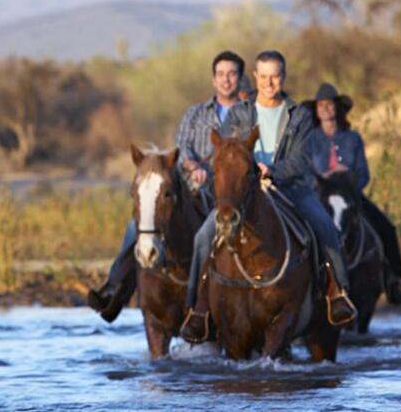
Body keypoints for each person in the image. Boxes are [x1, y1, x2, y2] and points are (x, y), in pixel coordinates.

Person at [179, 50, 357, 343]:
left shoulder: (299, 115)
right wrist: (247, 170)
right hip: (244, 191)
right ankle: (196, 308)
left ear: (283, 77)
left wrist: (273, 170)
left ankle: (337, 293)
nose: (269, 82)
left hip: (289, 187)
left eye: (275, 76)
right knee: (203, 237)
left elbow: (302, 159)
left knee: (325, 225)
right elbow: (226, 150)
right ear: (256, 78)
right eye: (264, 76)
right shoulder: (239, 113)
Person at [87, 51, 245, 322]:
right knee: (136, 227)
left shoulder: (248, 115)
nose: (226, 80)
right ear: (213, 79)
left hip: (225, 192)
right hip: (188, 188)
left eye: (231, 74)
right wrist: (193, 166)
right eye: (221, 74)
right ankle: (115, 289)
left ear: (240, 78)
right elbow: (181, 150)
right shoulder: (195, 114)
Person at [299, 82, 401, 304]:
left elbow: (364, 173)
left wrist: (350, 182)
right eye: (321, 106)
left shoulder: (353, 138)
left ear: (338, 109)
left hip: (350, 195)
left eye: (330, 105)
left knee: (385, 227)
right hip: (320, 197)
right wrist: (324, 179)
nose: (326, 109)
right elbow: (305, 172)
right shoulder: (309, 140)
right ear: (316, 111)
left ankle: (395, 281)